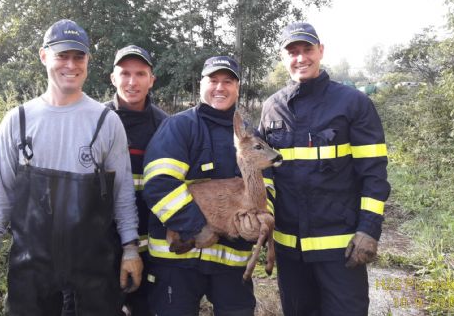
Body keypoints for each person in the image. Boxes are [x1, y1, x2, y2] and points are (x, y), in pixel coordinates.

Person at [0, 19, 143, 315]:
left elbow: (122, 194)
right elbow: (0, 192)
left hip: (94, 276)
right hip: (31, 276)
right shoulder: (18, 121)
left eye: (79, 56)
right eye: (62, 55)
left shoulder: (106, 122)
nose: (71, 65)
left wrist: (130, 249)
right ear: (43, 56)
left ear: (88, 60)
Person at [259, 22, 391, 315]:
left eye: (307, 49)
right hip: (290, 249)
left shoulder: (353, 103)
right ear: (283, 58)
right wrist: (262, 221)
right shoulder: (271, 107)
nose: (300, 58)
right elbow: (263, 173)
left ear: (321, 51)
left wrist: (369, 230)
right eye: (292, 52)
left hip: (341, 248)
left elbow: (374, 174)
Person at [142, 56, 275, 316]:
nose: (220, 87)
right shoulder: (178, 126)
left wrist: (260, 217)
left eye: (228, 81)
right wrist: (195, 227)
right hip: (178, 261)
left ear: (238, 87)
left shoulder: (248, 135)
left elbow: (267, 184)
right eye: (213, 80)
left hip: (232, 263)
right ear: (201, 84)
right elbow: (159, 184)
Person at [105, 45, 168, 315]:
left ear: (151, 79)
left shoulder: (166, 127)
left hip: (149, 249)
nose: (132, 82)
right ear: (113, 78)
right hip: (102, 247)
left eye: (140, 74)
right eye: (125, 73)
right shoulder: (97, 121)